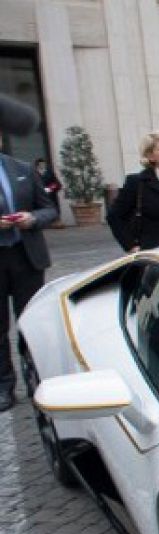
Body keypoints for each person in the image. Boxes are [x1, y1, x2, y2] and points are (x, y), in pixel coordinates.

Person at [0, 151, 57, 412]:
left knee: (31, 323)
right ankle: (4, 387)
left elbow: (49, 209)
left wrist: (32, 219)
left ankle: (38, 382)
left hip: (27, 258)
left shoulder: (22, 167)